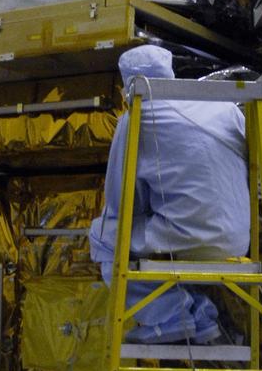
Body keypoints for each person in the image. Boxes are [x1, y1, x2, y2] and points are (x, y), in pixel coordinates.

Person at [89, 44, 250, 344]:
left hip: (189, 238)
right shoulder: (226, 108)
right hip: (239, 240)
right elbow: (261, 173)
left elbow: (122, 199)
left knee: (105, 237)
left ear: (127, 85)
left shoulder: (138, 116)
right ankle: (198, 316)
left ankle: (174, 316)